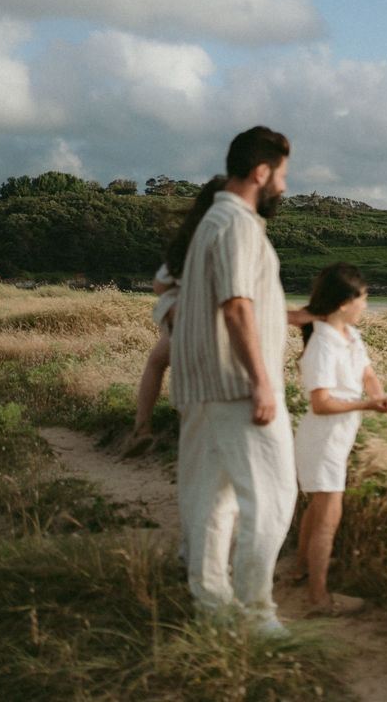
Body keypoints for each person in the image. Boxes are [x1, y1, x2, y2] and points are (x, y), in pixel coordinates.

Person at [171, 126, 300, 636]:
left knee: (210, 500)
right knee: (272, 497)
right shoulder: (239, 225)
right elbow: (236, 305)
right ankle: (255, 612)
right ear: (261, 172)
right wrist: (262, 380)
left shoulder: (210, 222)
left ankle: (211, 608)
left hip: (205, 385)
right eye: (283, 176)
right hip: (237, 388)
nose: (285, 189)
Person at [287, 262, 387, 616]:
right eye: (362, 299)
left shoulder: (350, 335)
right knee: (328, 519)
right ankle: (318, 599)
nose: (366, 305)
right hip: (322, 441)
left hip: (335, 440)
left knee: (318, 510)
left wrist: (378, 393)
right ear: (342, 304)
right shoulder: (322, 344)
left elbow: (367, 372)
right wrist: (368, 405)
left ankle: (301, 569)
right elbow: (320, 404)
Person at [123, 175, 229, 459]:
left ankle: (142, 426)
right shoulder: (235, 234)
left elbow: (158, 285)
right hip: (222, 321)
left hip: (186, 320)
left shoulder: (190, 238)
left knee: (156, 364)